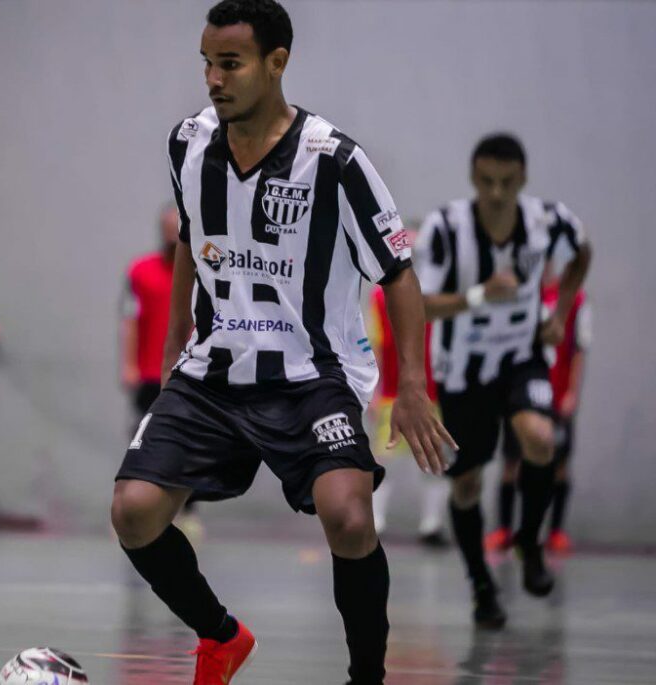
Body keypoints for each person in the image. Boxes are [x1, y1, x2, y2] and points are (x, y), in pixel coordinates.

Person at [110, 2, 453, 683]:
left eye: (229, 63)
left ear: (277, 62)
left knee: (349, 517)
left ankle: (366, 676)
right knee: (133, 512)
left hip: (311, 376)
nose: (213, 77)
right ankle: (221, 636)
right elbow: (190, 236)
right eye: (206, 62)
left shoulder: (336, 160)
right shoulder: (188, 144)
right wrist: (177, 339)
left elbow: (400, 275)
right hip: (213, 371)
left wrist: (409, 385)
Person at [415, 133, 591, 630]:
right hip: (464, 369)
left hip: (522, 355)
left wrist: (559, 313)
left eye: (506, 184)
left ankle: (529, 542)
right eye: (487, 182)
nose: (496, 193)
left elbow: (582, 252)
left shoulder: (547, 221)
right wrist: (478, 296)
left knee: (540, 437)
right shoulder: (446, 228)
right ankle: (480, 585)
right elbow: (419, 303)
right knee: (468, 481)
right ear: (474, 178)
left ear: (523, 180)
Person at [486, 281, 590, 554]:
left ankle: (554, 532)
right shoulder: (519, 292)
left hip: (556, 394)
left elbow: (579, 346)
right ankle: (504, 530)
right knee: (512, 460)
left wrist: (571, 392)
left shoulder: (575, 298)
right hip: (520, 394)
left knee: (559, 462)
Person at [120, 204, 203, 541]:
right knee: (146, 441)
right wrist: (128, 365)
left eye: (177, 225)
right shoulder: (140, 271)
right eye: (167, 226)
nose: (172, 231)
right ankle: (137, 510)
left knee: (192, 444)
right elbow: (129, 321)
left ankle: (189, 511)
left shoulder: (204, 270)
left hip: (192, 373)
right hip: (150, 375)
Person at [366, 225, 451, 547]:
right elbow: (374, 344)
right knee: (383, 457)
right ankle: (375, 522)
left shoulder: (440, 297)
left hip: (434, 394)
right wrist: (374, 391)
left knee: (434, 458)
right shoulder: (379, 297)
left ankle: (432, 525)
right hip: (391, 392)